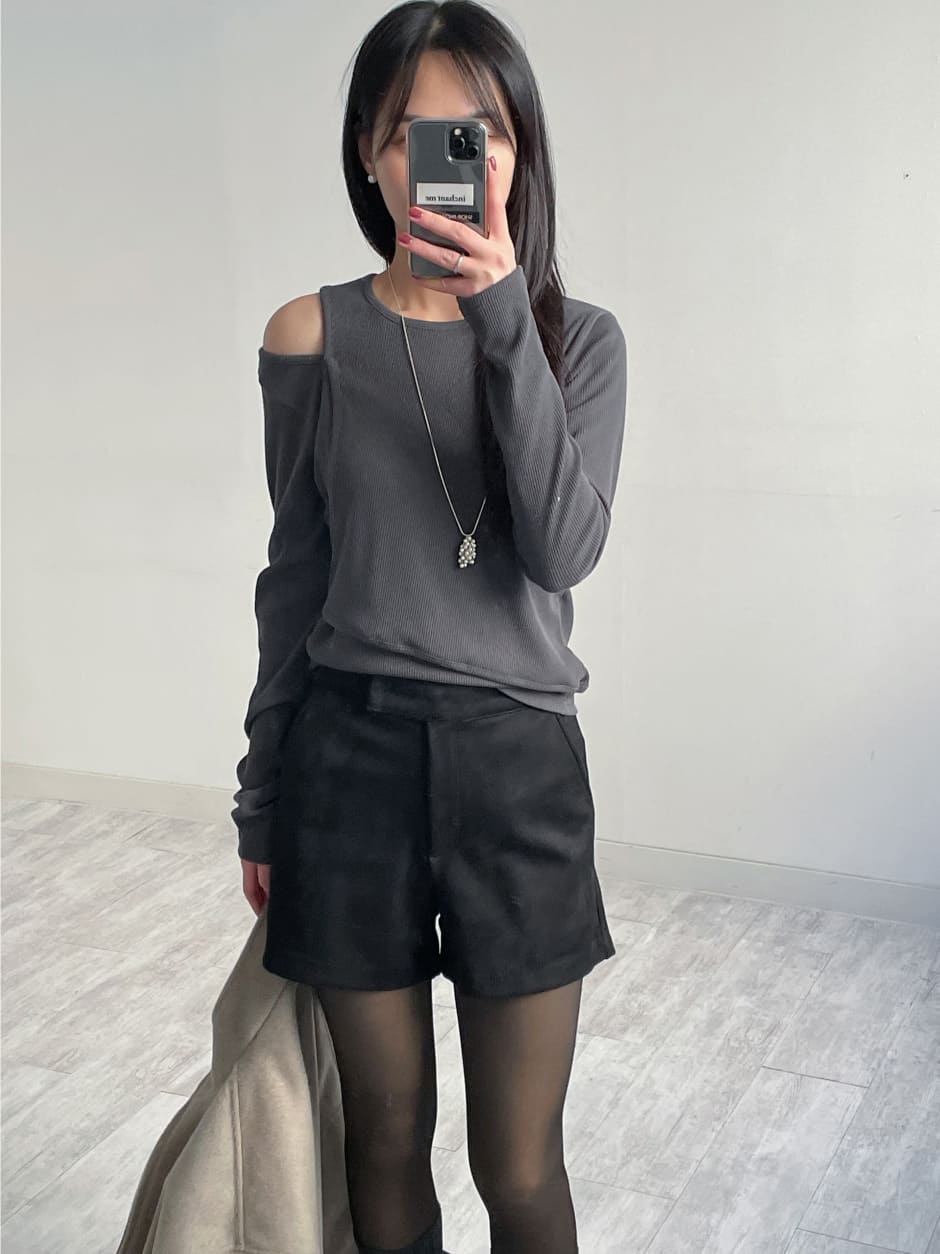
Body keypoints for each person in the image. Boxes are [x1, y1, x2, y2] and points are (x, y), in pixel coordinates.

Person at [231, 3, 628, 1252]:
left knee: (520, 1165)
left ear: (518, 154)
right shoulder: (310, 334)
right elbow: (295, 581)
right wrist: (261, 797)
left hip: (517, 772)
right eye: (416, 131)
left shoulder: (578, 341)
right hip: (347, 763)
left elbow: (563, 551)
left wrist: (501, 316)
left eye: (482, 132)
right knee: (384, 1140)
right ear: (369, 151)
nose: (451, 158)